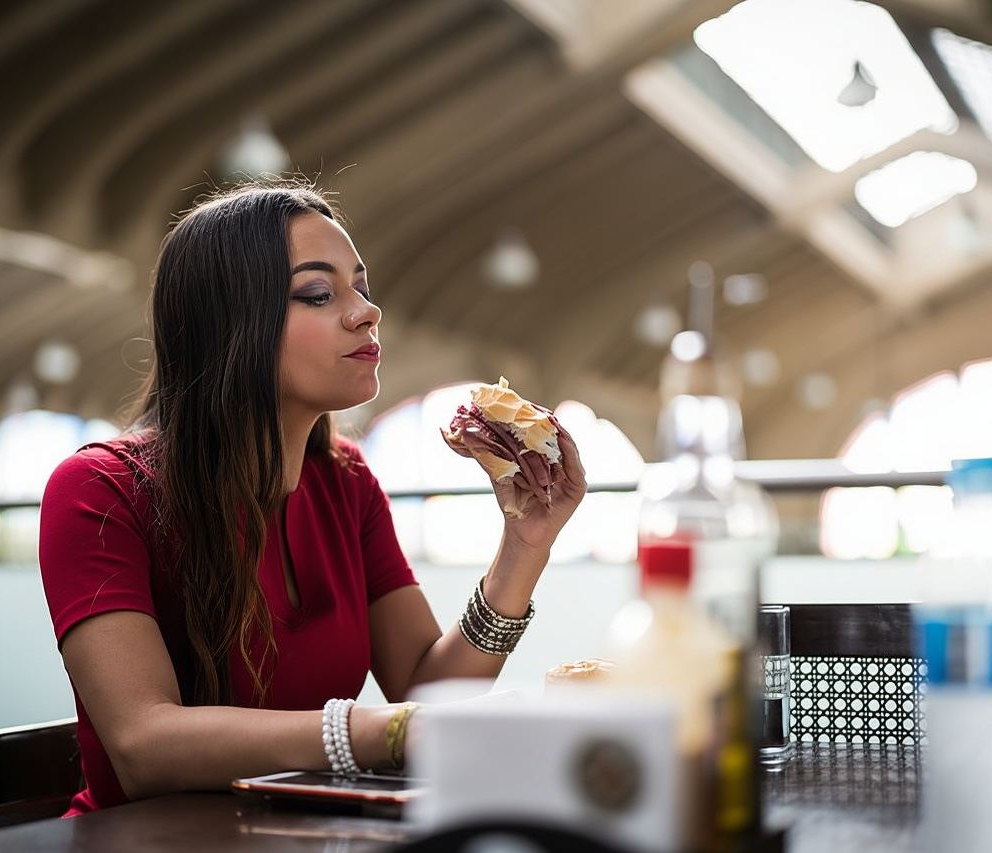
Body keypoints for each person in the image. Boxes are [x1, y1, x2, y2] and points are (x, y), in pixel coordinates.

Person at [38, 181, 587, 815]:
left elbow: (426, 691)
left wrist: (524, 545)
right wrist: (387, 731)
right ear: (228, 325)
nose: (366, 312)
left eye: (362, 287)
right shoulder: (99, 489)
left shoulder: (347, 483)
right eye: (319, 294)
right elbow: (143, 745)